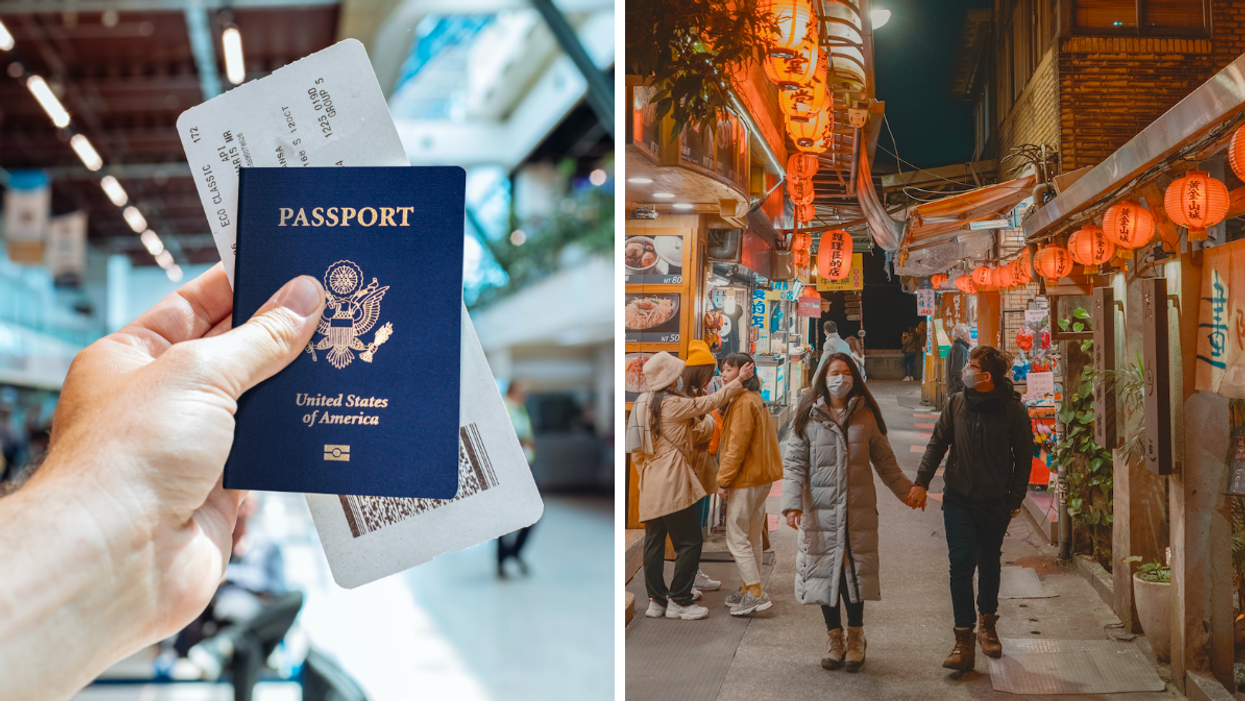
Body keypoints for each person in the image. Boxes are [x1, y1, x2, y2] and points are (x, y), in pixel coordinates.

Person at [0, 265, 327, 699]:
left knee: (255, 632)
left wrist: (93, 508)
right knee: (246, 642)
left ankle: (226, 649)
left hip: (235, 614)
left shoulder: (258, 545)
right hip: (223, 615)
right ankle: (226, 649)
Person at [782, 353, 918, 673]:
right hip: (821, 510)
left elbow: (885, 461)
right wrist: (791, 505)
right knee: (825, 573)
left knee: (853, 574)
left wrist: (907, 492)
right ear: (823, 378)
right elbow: (794, 464)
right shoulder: (807, 414)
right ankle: (834, 637)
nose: (840, 378)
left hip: (857, 510)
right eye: (834, 373)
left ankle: (856, 636)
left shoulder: (866, 414)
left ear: (854, 377)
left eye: (846, 372)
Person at [905, 345, 1033, 673]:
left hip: (995, 501)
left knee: (989, 562)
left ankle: (987, 623)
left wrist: (1012, 501)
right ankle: (963, 639)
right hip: (958, 497)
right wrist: (921, 482)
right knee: (961, 563)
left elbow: (1023, 458)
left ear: (986, 376)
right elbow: (938, 443)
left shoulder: (1013, 410)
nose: (966, 371)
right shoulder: (957, 403)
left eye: (972, 367)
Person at [625, 351, 754, 621]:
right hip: (671, 477)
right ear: (671, 378)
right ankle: (680, 601)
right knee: (690, 541)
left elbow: (635, 451)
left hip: (649, 478)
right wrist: (739, 380)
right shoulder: (671, 403)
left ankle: (657, 601)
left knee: (654, 541)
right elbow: (710, 402)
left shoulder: (642, 402)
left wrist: (647, 473)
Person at [714, 352, 782, 617]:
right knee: (752, 535)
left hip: (745, 478)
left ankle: (754, 591)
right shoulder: (755, 399)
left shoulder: (742, 403)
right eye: (723, 369)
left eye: (729, 369)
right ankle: (747, 588)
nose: (724, 373)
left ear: (745, 372)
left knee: (736, 535)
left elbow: (735, 447)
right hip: (761, 478)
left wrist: (723, 480)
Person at [681, 339, 728, 597]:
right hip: (694, 470)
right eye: (711, 372)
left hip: (704, 468)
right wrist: (712, 422)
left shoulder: (699, 395)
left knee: (697, 525)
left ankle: (692, 573)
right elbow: (693, 434)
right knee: (692, 527)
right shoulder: (687, 399)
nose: (715, 376)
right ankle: (689, 578)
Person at [497, 380, 537, 578]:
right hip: (507, 468)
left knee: (535, 511)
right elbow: (504, 435)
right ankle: (501, 562)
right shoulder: (503, 407)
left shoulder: (521, 409)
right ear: (514, 390)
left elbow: (527, 435)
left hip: (525, 466)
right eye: (524, 391)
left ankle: (513, 552)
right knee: (504, 516)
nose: (526, 395)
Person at [946, 323, 972, 395]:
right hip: (957, 391)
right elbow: (957, 372)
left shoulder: (957, 347)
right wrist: (962, 390)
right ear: (963, 335)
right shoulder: (960, 348)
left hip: (955, 390)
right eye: (968, 332)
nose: (970, 334)